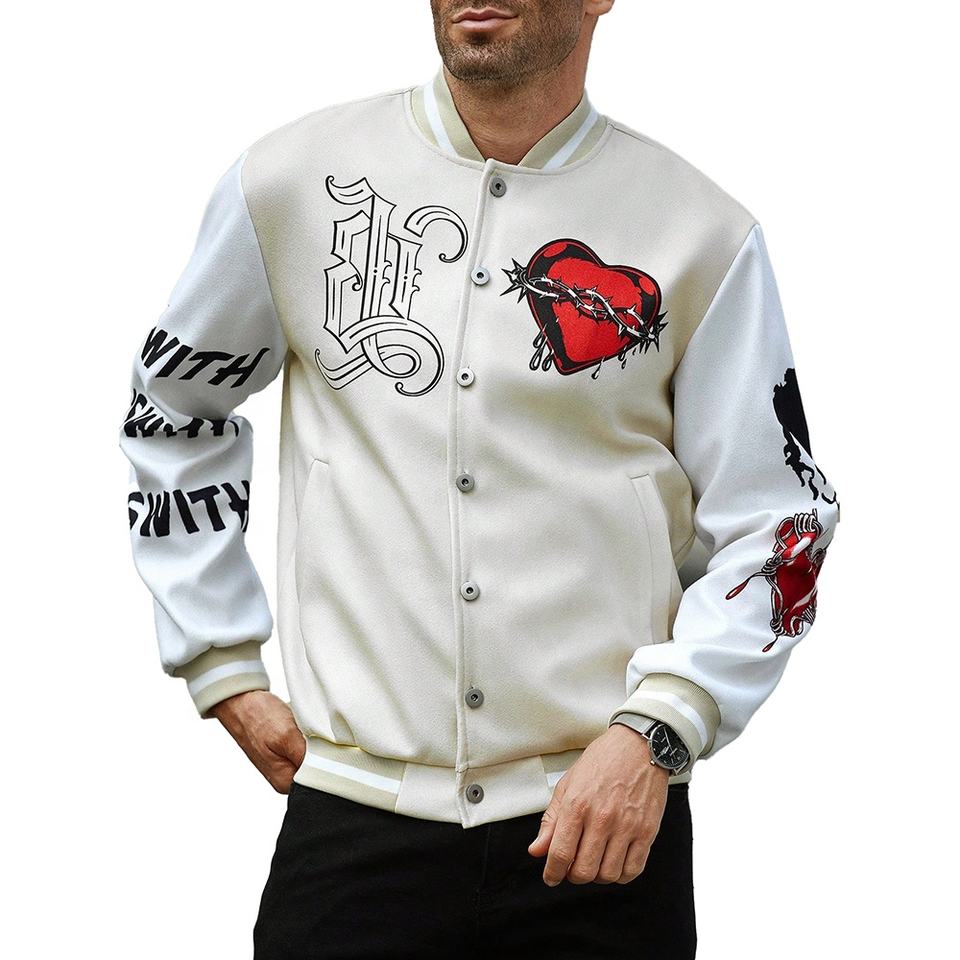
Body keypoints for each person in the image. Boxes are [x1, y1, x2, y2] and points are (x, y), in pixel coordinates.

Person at [119, 2, 840, 956]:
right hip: (353, 837)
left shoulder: (700, 230)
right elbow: (174, 408)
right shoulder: (292, 182)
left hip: (601, 827)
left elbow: (781, 520)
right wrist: (218, 659)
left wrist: (662, 728)